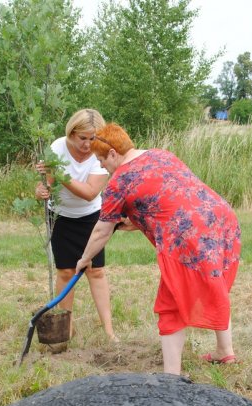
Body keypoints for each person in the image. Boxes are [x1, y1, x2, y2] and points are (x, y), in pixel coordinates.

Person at [75, 123, 241, 375]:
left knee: (171, 301)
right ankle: (225, 351)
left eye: (100, 159)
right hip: (219, 218)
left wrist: (85, 259)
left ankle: (171, 376)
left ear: (112, 153)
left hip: (187, 234)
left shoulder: (119, 181)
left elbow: (101, 230)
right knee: (213, 282)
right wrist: (136, 221)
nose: (100, 166)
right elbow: (168, 198)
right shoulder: (160, 154)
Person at [35, 109, 117, 342]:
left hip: (90, 217)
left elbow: (91, 193)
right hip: (60, 216)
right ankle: (66, 328)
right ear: (71, 133)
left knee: (96, 271)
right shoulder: (57, 148)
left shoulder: (101, 152)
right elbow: (48, 185)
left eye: (93, 138)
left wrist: (59, 174)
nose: (88, 144)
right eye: (83, 138)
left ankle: (109, 331)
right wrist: (41, 190)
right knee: (66, 271)